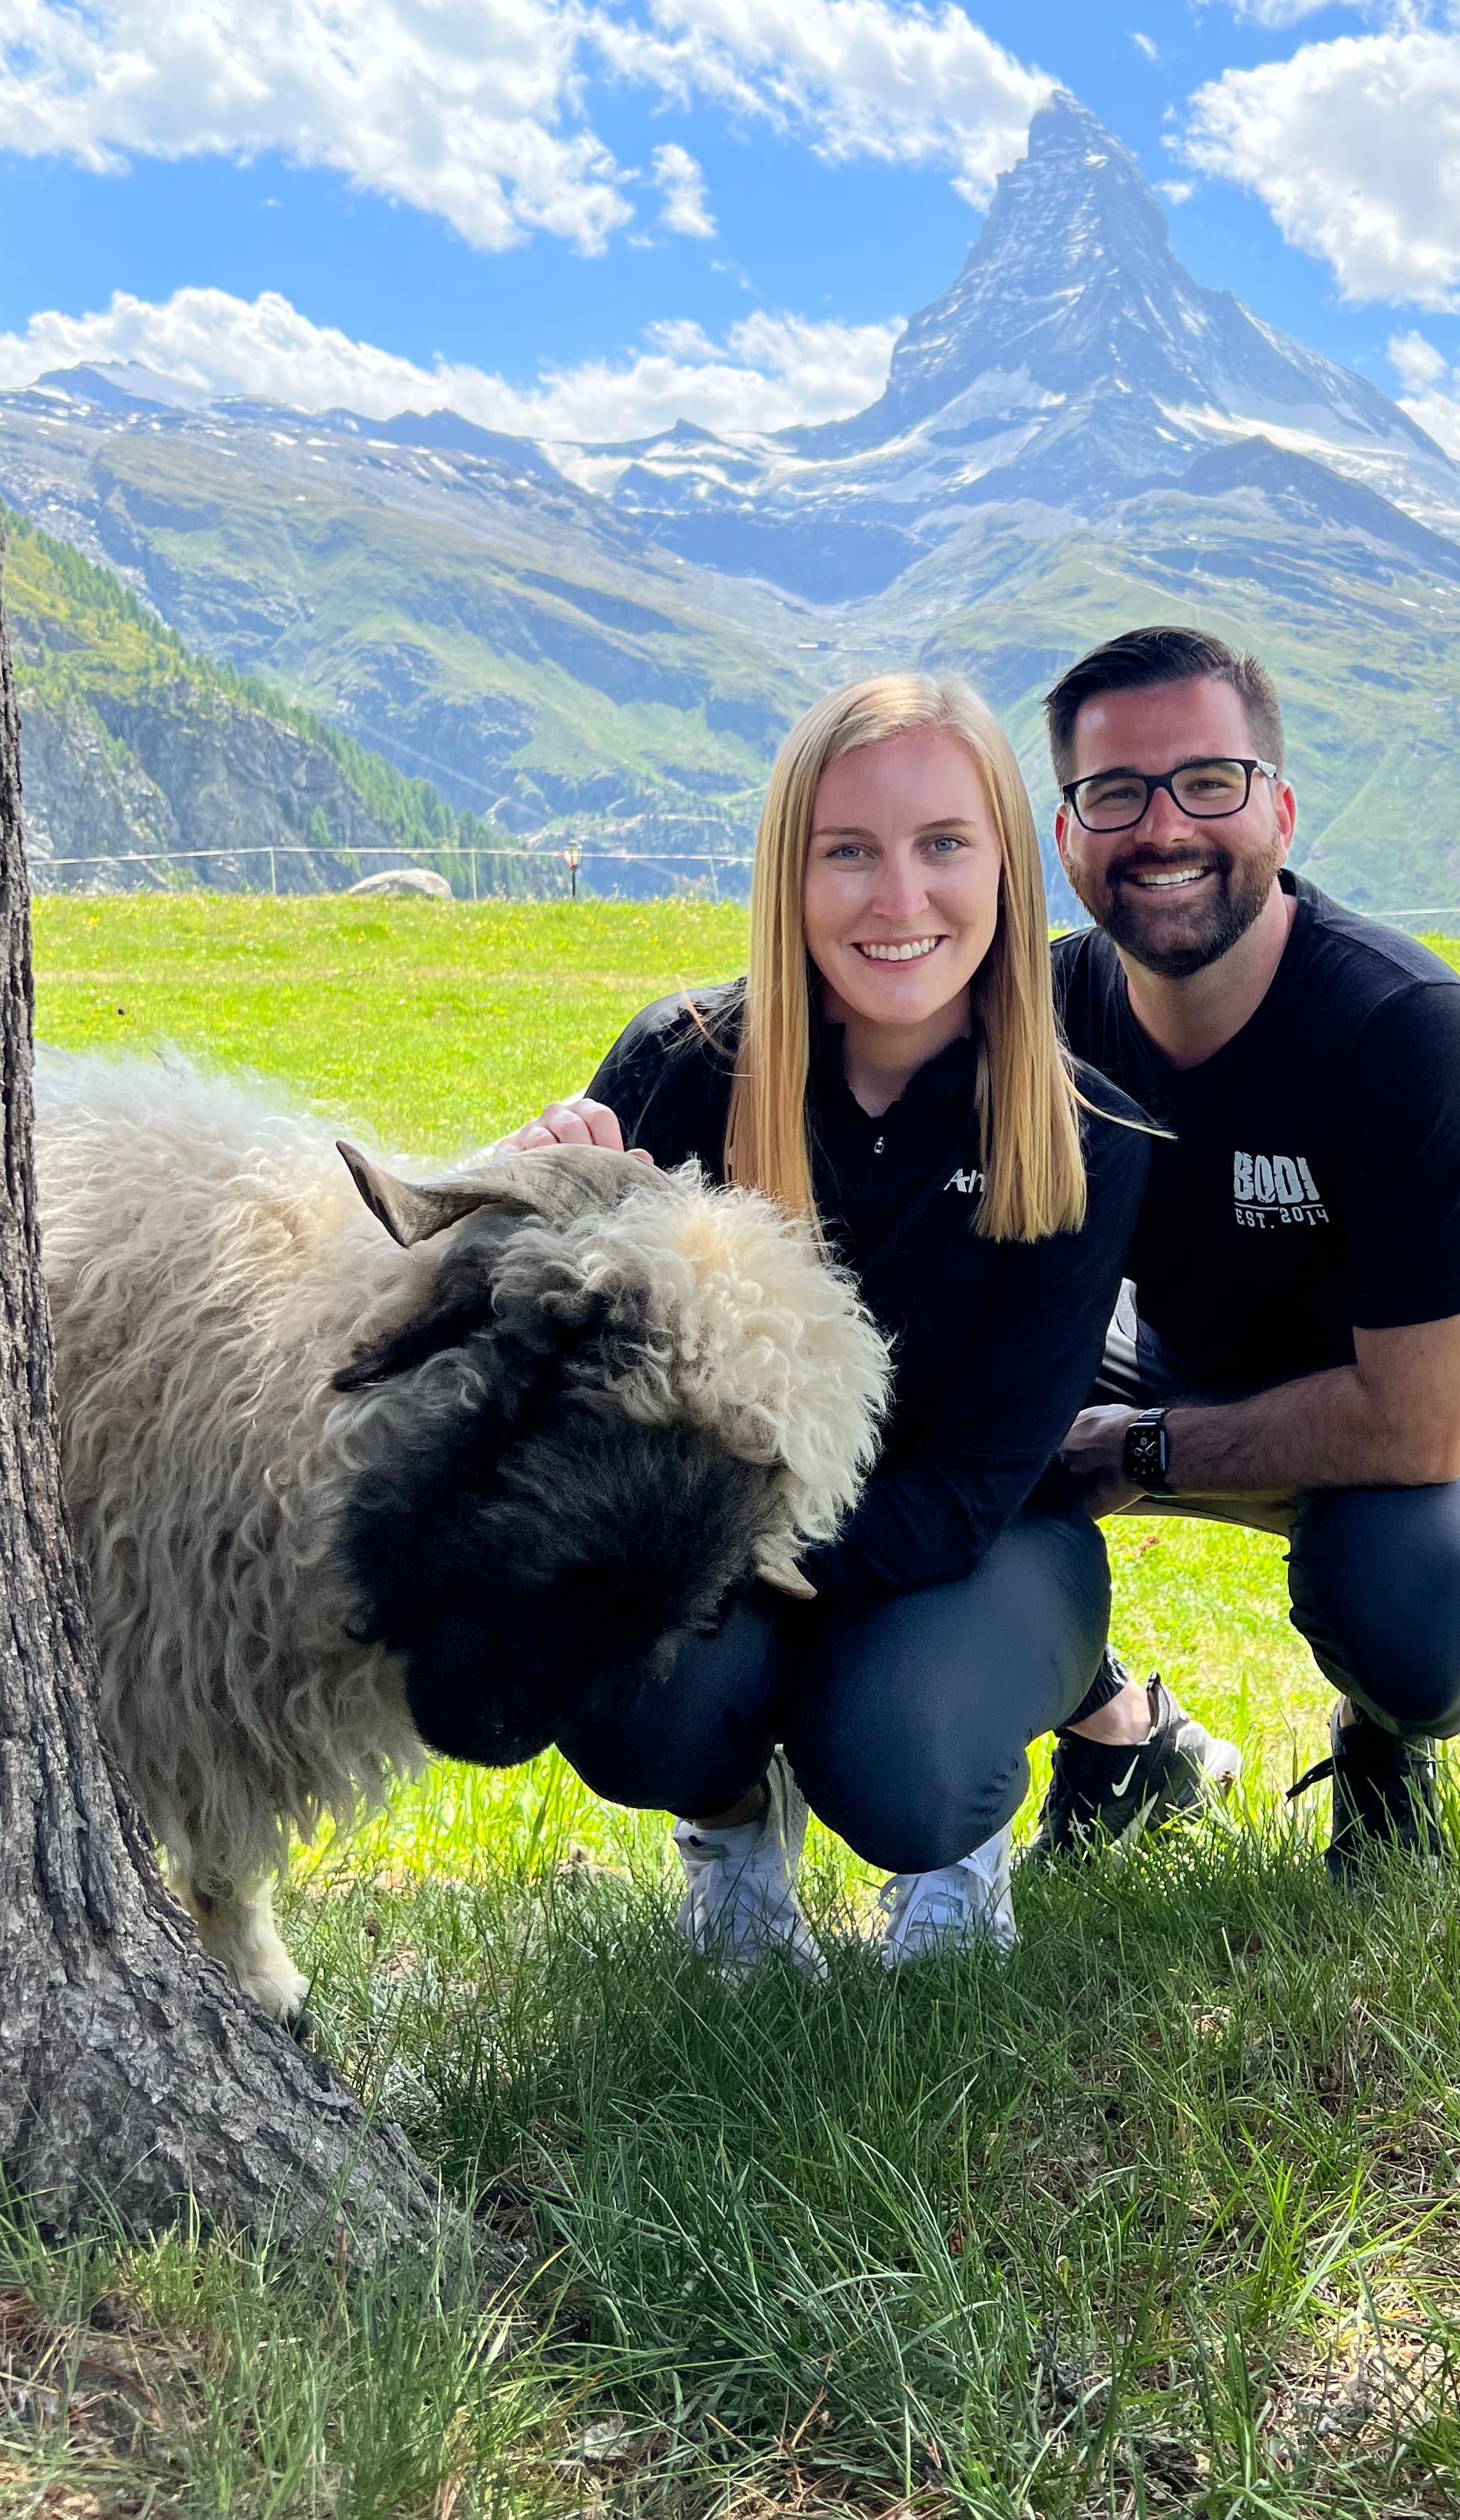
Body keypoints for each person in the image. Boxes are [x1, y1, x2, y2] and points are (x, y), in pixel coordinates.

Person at [507, 673, 1149, 1972]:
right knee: (627, 1682)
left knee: (900, 1749)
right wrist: (550, 1208)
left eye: (944, 845)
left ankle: (956, 1836)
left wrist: (714, 1560)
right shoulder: (683, 1067)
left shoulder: (1083, 1136)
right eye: (847, 850)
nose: (898, 899)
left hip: (977, 1551)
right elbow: (565, 1398)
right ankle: (735, 1831)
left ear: (1011, 872)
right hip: (733, 1529)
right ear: (786, 878)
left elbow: (975, 1491)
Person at [1030, 623, 1460, 1871]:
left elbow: (1423, 1422)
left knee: (1415, 1615)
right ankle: (1126, 1736)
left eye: (1207, 782)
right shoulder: (1040, 1012)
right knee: (913, 1423)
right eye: (1114, 793)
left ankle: (1384, 1737)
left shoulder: (1403, 1024)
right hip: (1159, 1354)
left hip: (1428, 1387)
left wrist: (1146, 1448)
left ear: (1279, 810)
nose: (1163, 827)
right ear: (1067, 838)